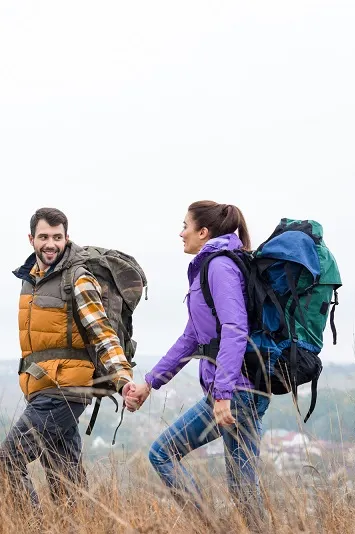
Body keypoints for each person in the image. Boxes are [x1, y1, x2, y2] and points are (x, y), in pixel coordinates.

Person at [125, 200, 269, 526]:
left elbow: (235, 329)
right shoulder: (210, 268)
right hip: (244, 388)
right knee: (243, 487)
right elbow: (192, 338)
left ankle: (211, 528)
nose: (181, 233)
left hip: (237, 390)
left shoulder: (219, 267)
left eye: (186, 226)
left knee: (163, 454)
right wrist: (150, 382)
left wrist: (223, 394)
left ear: (203, 232)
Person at [0, 207, 137, 508]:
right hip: (44, 387)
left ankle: (30, 528)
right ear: (31, 239)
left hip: (65, 390)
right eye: (44, 236)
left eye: (57, 237)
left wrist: (123, 378)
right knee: (65, 481)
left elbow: (102, 332)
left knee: (5, 462)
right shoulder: (30, 280)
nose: (51, 244)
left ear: (67, 238)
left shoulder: (78, 277)